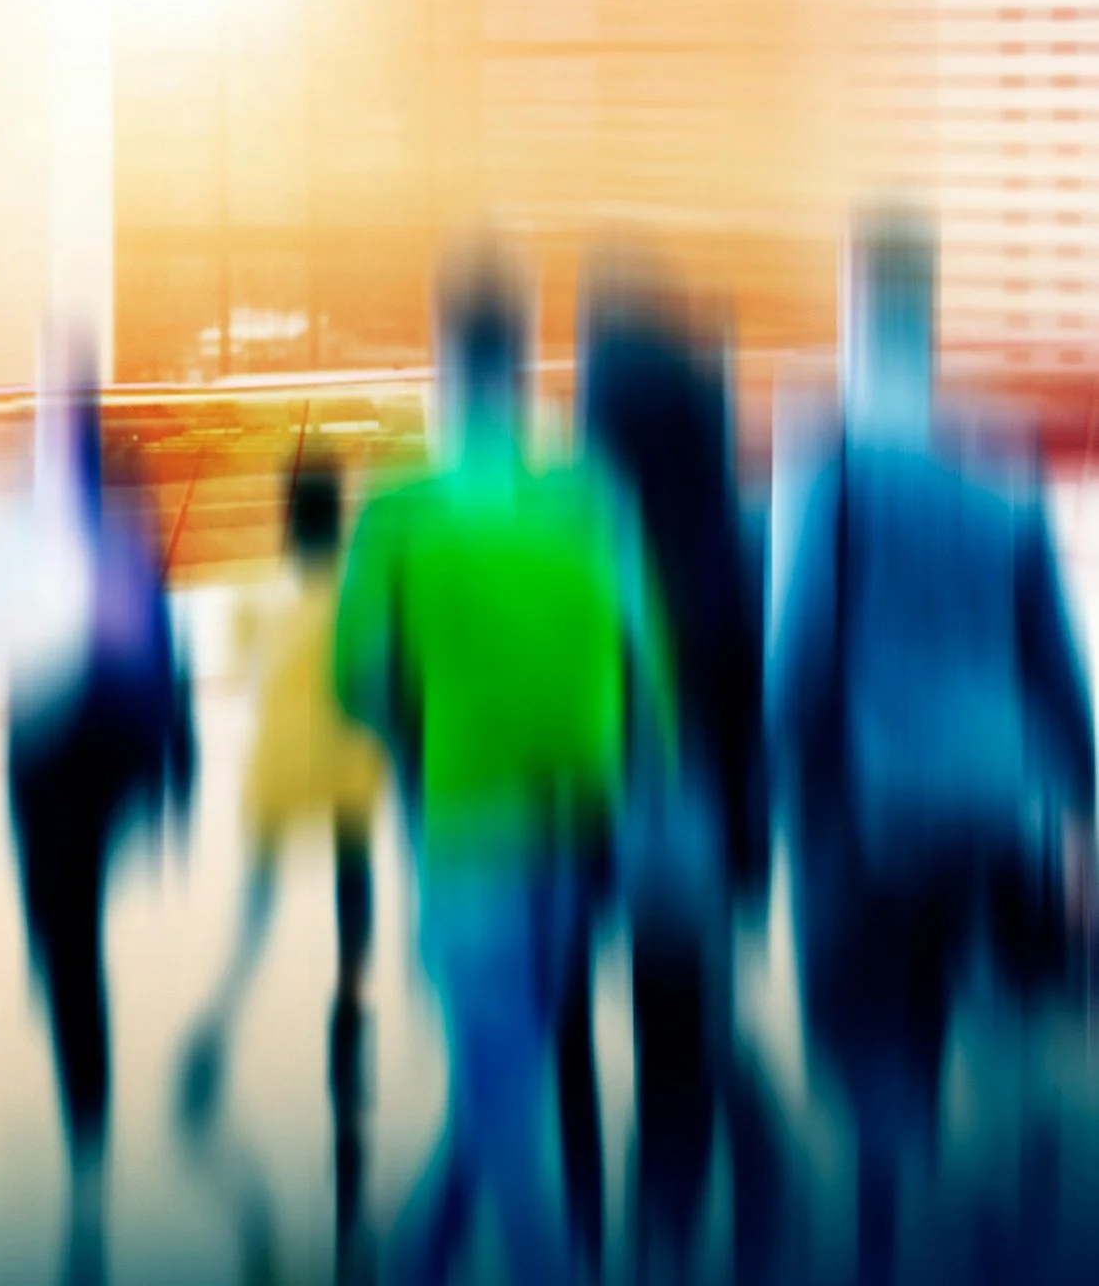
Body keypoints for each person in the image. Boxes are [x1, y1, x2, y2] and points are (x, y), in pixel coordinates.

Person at [767, 207, 1096, 1286]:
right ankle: (1021, 1227)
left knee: (875, 1040)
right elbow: (1052, 654)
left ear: (853, 298)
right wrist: (1083, 802)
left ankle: (886, 1245)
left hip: (874, 809)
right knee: (1000, 1019)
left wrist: (775, 790)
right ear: (931, 305)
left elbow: (800, 648)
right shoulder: (998, 451)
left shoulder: (826, 447)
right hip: (1003, 796)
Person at [334, 244, 670, 1286]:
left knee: (506, 1095)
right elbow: (647, 668)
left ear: (443, 353)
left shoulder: (400, 503)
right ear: (526, 356)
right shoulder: (591, 489)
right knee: (501, 1078)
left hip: (469, 813)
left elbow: (356, 679)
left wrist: (413, 735)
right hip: (582, 815)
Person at [577, 264, 785, 1283]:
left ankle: (649, 1227)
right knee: (675, 1027)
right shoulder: (734, 531)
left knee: (629, 1036)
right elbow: (755, 700)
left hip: (599, 811)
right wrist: (751, 832)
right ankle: (679, 1212)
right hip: (690, 811)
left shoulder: (580, 527)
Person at [0, 335, 192, 1278]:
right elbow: (155, 612)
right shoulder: (122, 482)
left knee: (62, 930)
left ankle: (88, 1128)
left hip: (53, 741)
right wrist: (178, 753)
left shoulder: (27, 490)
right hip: (107, 737)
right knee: (68, 927)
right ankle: (88, 1125)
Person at [176, 451, 382, 1279]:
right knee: (354, 887)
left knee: (256, 909)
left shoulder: (261, 597)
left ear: (287, 520)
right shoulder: (365, 593)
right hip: (350, 768)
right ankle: (352, 998)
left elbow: (250, 676)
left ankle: (218, 1022)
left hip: (276, 771)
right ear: (343, 516)